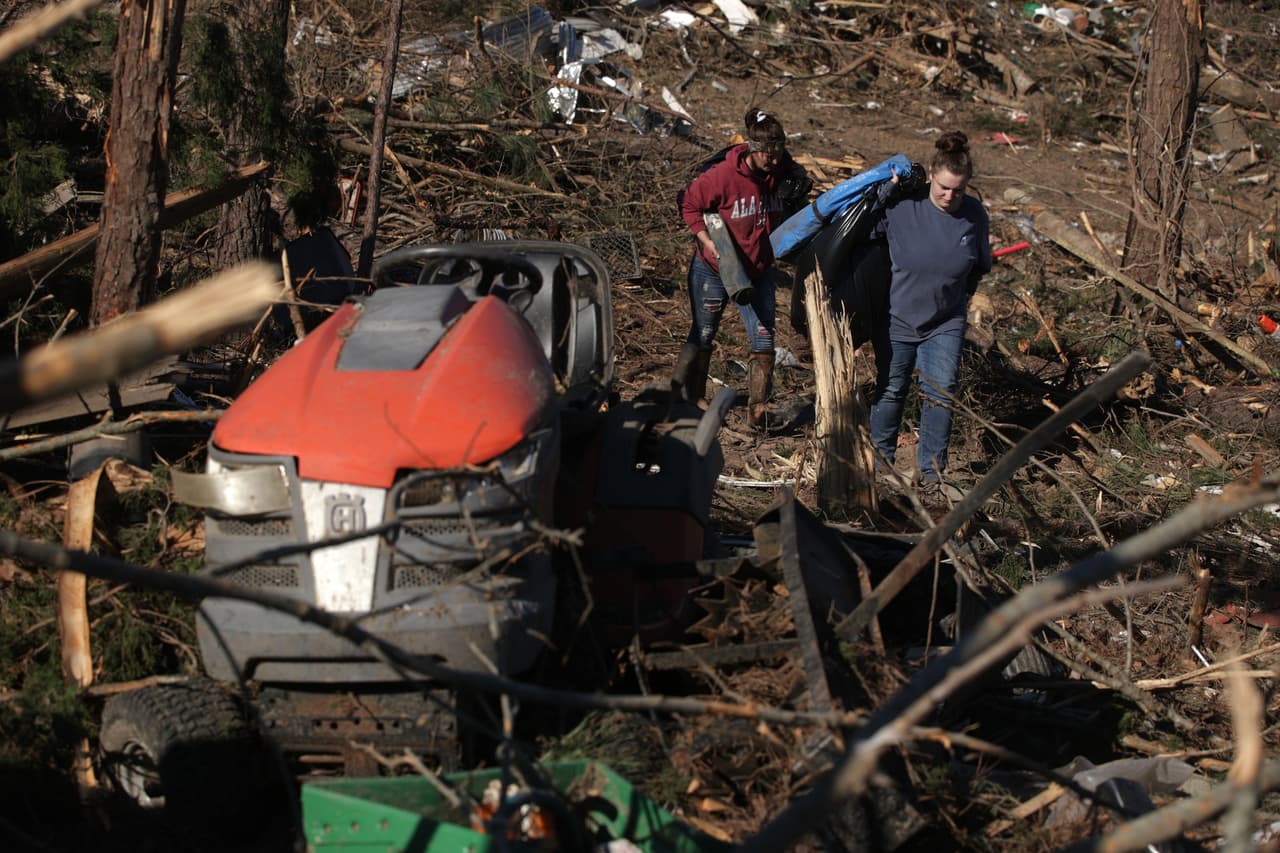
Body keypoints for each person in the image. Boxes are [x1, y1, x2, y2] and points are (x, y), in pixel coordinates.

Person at [867, 131, 991, 486]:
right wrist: (884, 192)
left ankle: (932, 473)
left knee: (941, 393)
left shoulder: (974, 215)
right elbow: (864, 234)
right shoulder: (904, 206)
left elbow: (980, 264)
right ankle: (880, 467)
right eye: (943, 187)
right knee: (892, 390)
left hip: (946, 319)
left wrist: (961, 297)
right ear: (932, 176)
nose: (950, 196)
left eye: (959, 190)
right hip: (896, 315)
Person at [672, 108, 795, 430]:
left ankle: (759, 409)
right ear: (753, 150)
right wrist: (706, 240)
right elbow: (689, 204)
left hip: (758, 271)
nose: (773, 161)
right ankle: (688, 396)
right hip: (714, 269)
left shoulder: (783, 173)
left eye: (778, 154)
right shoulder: (722, 177)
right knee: (704, 332)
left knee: (764, 337)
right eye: (767, 155)